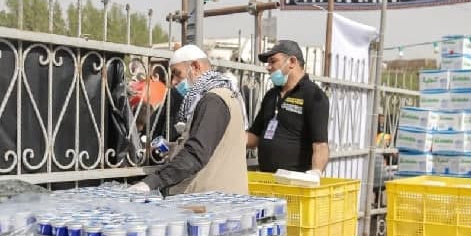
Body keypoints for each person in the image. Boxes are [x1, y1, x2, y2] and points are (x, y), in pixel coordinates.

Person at [128, 45, 248, 195]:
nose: (173, 82)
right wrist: (173, 148)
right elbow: (211, 144)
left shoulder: (214, 100)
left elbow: (196, 153)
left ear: (195, 67)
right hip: (214, 196)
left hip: (215, 199)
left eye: (177, 74)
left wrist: (152, 182)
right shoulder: (215, 97)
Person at [246, 40, 329, 176]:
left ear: (291, 62)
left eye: (273, 61)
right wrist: (229, 135)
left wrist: (315, 173)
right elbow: (254, 136)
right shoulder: (271, 95)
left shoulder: (313, 95)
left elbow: (320, 145)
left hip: (294, 181)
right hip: (266, 178)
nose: (268, 67)